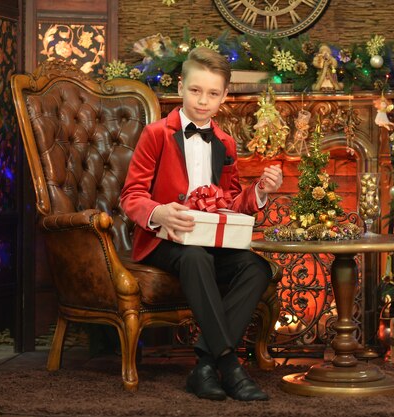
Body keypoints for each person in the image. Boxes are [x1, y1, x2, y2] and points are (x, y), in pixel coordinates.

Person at [120, 47, 283, 401]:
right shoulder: (156, 134)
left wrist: (260, 191)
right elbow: (130, 195)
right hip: (163, 241)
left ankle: (204, 366)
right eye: (196, 91)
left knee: (257, 268)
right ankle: (229, 364)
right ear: (181, 87)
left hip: (211, 240)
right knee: (195, 256)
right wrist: (159, 212)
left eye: (213, 93)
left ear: (225, 96)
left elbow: (232, 202)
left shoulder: (225, 143)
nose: (203, 101)